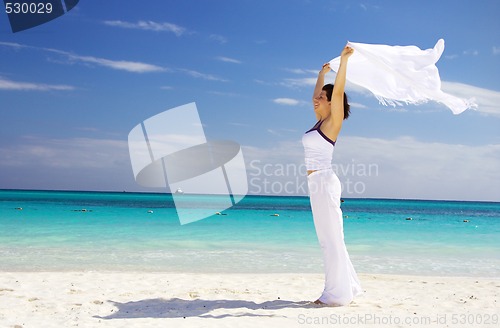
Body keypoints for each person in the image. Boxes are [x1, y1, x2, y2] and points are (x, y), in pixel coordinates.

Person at [302, 45, 362, 306]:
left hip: (325, 182)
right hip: (315, 184)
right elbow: (319, 94)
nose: (317, 100)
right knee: (329, 238)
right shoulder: (318, 119)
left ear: (331, 103)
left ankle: (335, 295)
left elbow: (337, 93)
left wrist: (344, 63)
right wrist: (321, 75)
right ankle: (348, 288)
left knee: (331, 240)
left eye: (322, 99)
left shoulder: (332, 123)